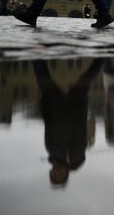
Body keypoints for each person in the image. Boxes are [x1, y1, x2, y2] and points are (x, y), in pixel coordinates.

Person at [32, 57, 103, 188]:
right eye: (60, 176)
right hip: (73, 108)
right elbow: (79, 132)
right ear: (66, 174)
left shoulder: (51, 152)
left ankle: (37, 52)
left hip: (56, 107)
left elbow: (48, 126)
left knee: (44, 79)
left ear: (50, 172)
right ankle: (104, 54)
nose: (56, 172)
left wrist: (44, 106)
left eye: (53, 175)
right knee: (86, 78)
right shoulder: (74, 158)